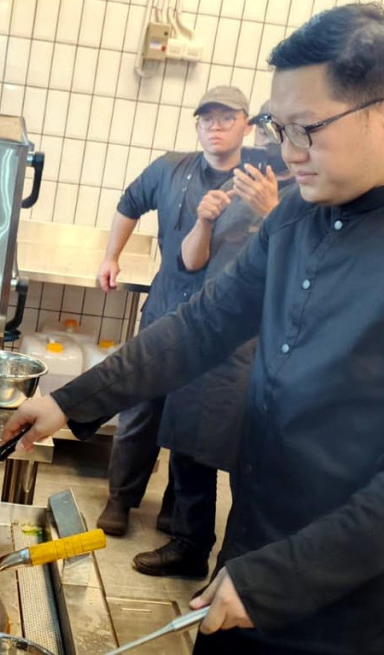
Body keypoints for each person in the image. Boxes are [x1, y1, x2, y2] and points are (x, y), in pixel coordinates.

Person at [6, 3, 384, 653]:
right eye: (279, 127)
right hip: (251, 547)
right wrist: (70, 401)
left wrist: (282, 579)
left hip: (351, 605)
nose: (287, 152)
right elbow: (203, 326)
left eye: (309, 130)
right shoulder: (299, 210)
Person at [91, 86, 275, 579]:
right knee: (142, 410)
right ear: (197, 126)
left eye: (226, 117)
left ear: (245, 123)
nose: (215, 126)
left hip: (234, 332)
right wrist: (111, 256)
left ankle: (186, 526)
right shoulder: (172, 170)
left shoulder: (269, 177)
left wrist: (271, 208)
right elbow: (132, 206)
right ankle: (121, 501)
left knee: (201, 427)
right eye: (207, 118)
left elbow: (300, 234)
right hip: (169, 312)